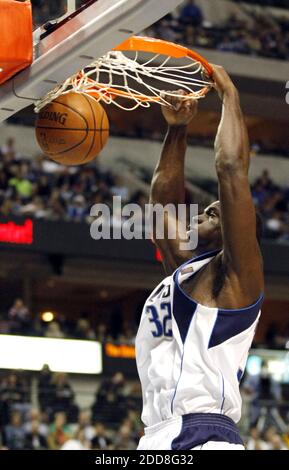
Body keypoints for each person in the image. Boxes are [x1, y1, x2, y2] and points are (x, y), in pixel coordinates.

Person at [136, 65, 264, 450]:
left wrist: (229, 97)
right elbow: (161, 203)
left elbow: (230, 169)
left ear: (232, 229)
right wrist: (177, 129)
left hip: (206, 435)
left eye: (212, 213)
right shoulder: (185, 269)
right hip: (159, 435)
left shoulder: (236, 280)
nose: (199, 216)